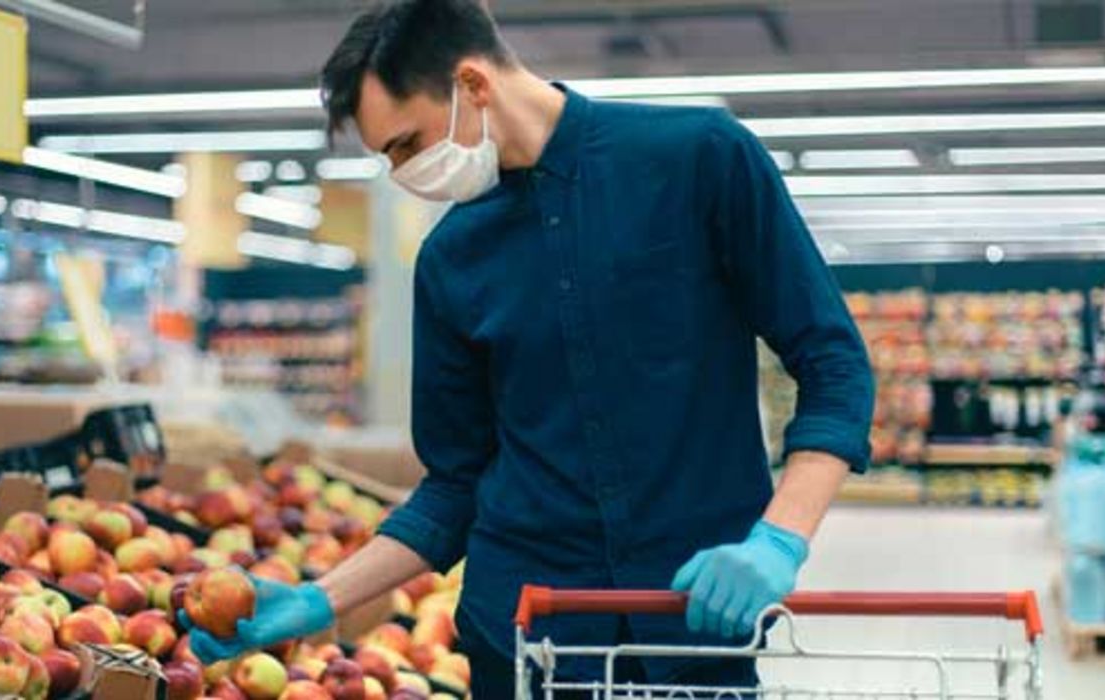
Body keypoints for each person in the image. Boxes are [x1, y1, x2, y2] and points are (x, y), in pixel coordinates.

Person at [188, 0, 875, 696]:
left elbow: (832, 364)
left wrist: (778, 539)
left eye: (404, 144)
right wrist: (319, 597)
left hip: (693, 632)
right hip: (519, 644)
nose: (402, 173)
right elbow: (456, 485)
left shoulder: (698, 159)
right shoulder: (452, 258)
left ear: (472, 86)